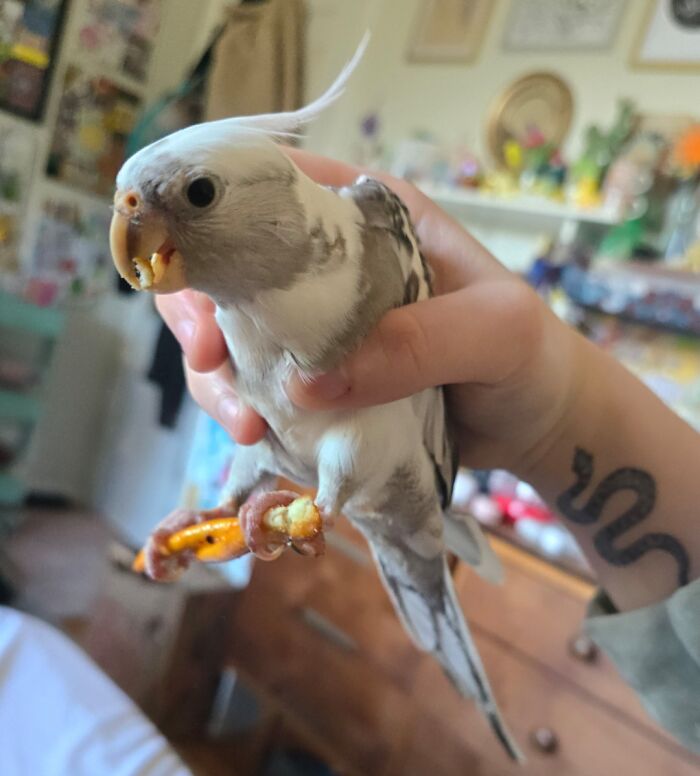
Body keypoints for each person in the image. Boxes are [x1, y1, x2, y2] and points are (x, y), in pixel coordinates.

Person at [156, 149, 700, 754]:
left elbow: (356, 451)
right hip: (300, 454)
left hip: (375, 465)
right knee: (250, 451)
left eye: (199, 194)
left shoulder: (367, 229)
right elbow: (266, 437)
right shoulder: (232, 298)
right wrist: (225, 511)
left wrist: (297, 514)